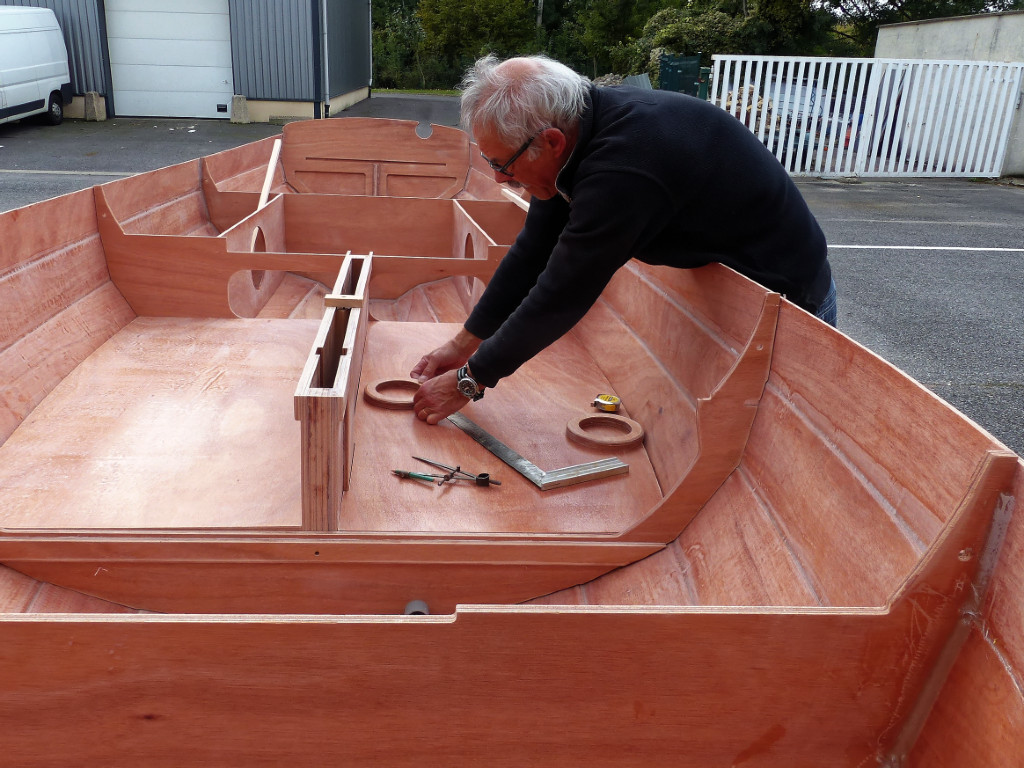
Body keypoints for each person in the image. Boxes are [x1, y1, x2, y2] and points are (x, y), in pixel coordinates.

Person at [411, 54, 835, 425]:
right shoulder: (577, 133)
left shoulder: (625, 166)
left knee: (779, 434)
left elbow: (562, 293)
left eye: (502, 163)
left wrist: (469, 382)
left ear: (551, 142)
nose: (499, 177)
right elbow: (533, 252)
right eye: (489, 161)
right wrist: (463, 343)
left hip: (787, 299)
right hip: (730, 292)